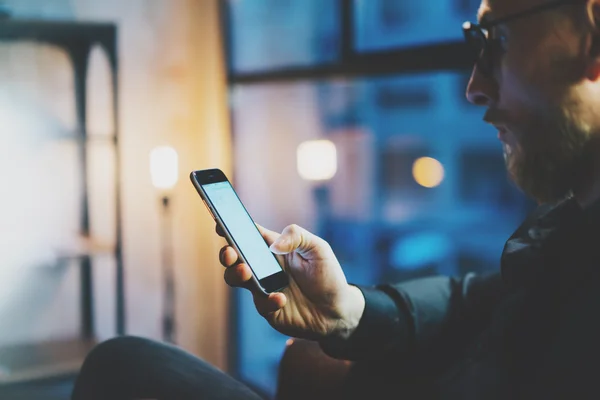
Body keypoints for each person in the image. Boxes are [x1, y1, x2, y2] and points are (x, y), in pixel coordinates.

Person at [71, 0, 600, 399]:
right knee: (129, 362)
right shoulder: (570, 226)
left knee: (121, 367)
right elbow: (475, 300)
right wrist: (349, 310)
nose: (474, 86)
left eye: (496, 41)